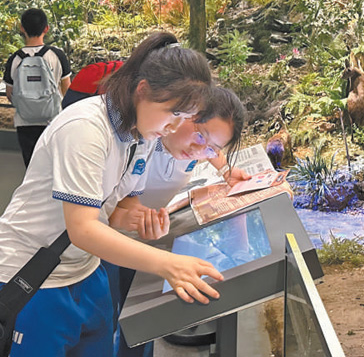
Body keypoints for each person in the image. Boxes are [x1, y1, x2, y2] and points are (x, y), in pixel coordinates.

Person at [0, 31, 223, 357]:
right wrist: (167, 264)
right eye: (174, 113)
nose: (175, 127)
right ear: (142, 90)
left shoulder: (142, 135)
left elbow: (121, 204)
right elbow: (83, 228)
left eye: (185, 118)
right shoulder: (85, 128)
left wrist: (141, 219)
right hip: (35, 278)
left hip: (87, 272)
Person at [104, 86, 248, 357]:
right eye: (200, 135)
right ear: (186, 112)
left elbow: (210, 145)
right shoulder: (143, 141)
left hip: (146, 239)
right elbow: (97, 207)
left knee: (141, 324)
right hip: (106, 243)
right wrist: (124, 215)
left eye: (211, 147)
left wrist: (226, 169)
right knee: (109, 320)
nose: (199, 150)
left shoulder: (196, 148)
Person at [3, 8, 71, 167]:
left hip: (24, 122)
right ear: (46, 28)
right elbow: (67, 89)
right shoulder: (57, 55)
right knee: (53, 167)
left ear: (22, 28)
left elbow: (10, 94)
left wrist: (27, 104)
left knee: (31, 167)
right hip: (52, 120)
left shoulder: (15, 59)